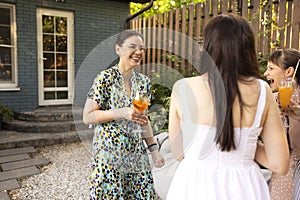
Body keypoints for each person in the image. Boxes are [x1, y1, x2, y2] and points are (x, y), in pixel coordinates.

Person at [166, 14, 290, 200]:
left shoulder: (182, 88)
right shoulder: (262, 91)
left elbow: (178, 152)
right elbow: (279, 163)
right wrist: (245, 143)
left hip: (193, 186)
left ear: (208, 47)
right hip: (244, 187)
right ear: (247, 49)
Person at [83, 29, 164, 199]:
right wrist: (120, 112)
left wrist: (154, 150)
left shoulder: (143, 82)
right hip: (109, 157)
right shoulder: (104, 78)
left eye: (142, 48)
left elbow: (144, 119)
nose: (138, 52)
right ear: (118, 49)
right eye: (132, 47)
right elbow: (87, 116)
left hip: (136, 156)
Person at [264, 48, 300, 200]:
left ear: (289, 72)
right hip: (281, 173)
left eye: (271, 68)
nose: (266, 73)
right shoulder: (272, 100)